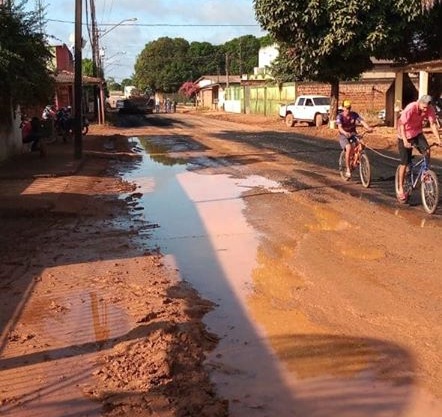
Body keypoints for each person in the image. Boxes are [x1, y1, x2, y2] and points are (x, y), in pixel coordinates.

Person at [396, 94, 441, 201]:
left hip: (417, 134)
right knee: (404, 163)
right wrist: (405, 140)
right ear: (419, 102)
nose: (425, 109)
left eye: (427, 107)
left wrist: (439, 139)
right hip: (404, 135)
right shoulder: (411, 108)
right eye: (424, 107)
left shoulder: (429, 109)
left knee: (427, 150)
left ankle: (425, 172)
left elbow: (433, 124)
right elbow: (401, 124)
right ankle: (401, 188)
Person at [337, 99, 373, 179]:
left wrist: (368, 128)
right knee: (349, 148)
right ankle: (348, 169)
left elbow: (362, 121)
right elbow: (339, 127)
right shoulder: (340, 116)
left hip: (353, 134)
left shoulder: (354, 115)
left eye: (349, 108)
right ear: (343, 108)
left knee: (362, 144)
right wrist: (345, 132)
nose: (348, 110)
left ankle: (356, 160)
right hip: (344, 135)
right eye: (346, 108)